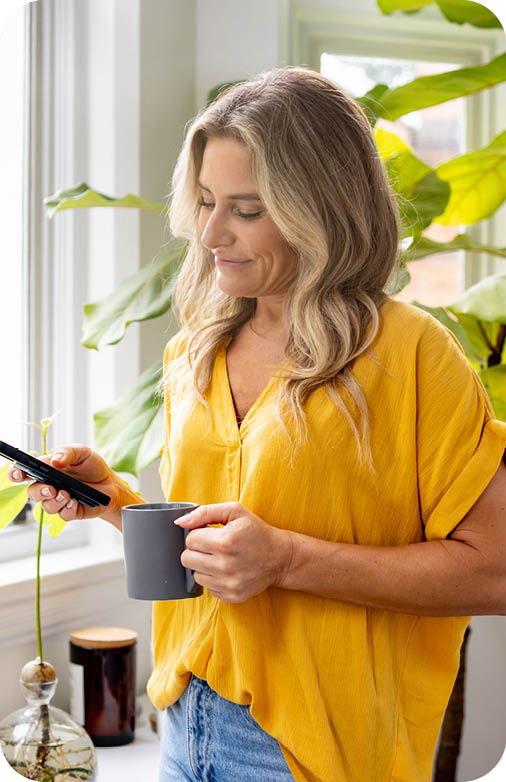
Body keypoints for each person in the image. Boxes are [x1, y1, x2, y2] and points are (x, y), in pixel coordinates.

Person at [8, 67, 506, 782]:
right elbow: (215, 549)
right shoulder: (195, 351)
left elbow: (495, 571)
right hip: (184, 724)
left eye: (246, 209)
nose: (210, 232)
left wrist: (289, 561)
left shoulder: (411, 353)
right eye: (206, 201)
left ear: (322, 208)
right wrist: (113, 501)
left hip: (316, 753)